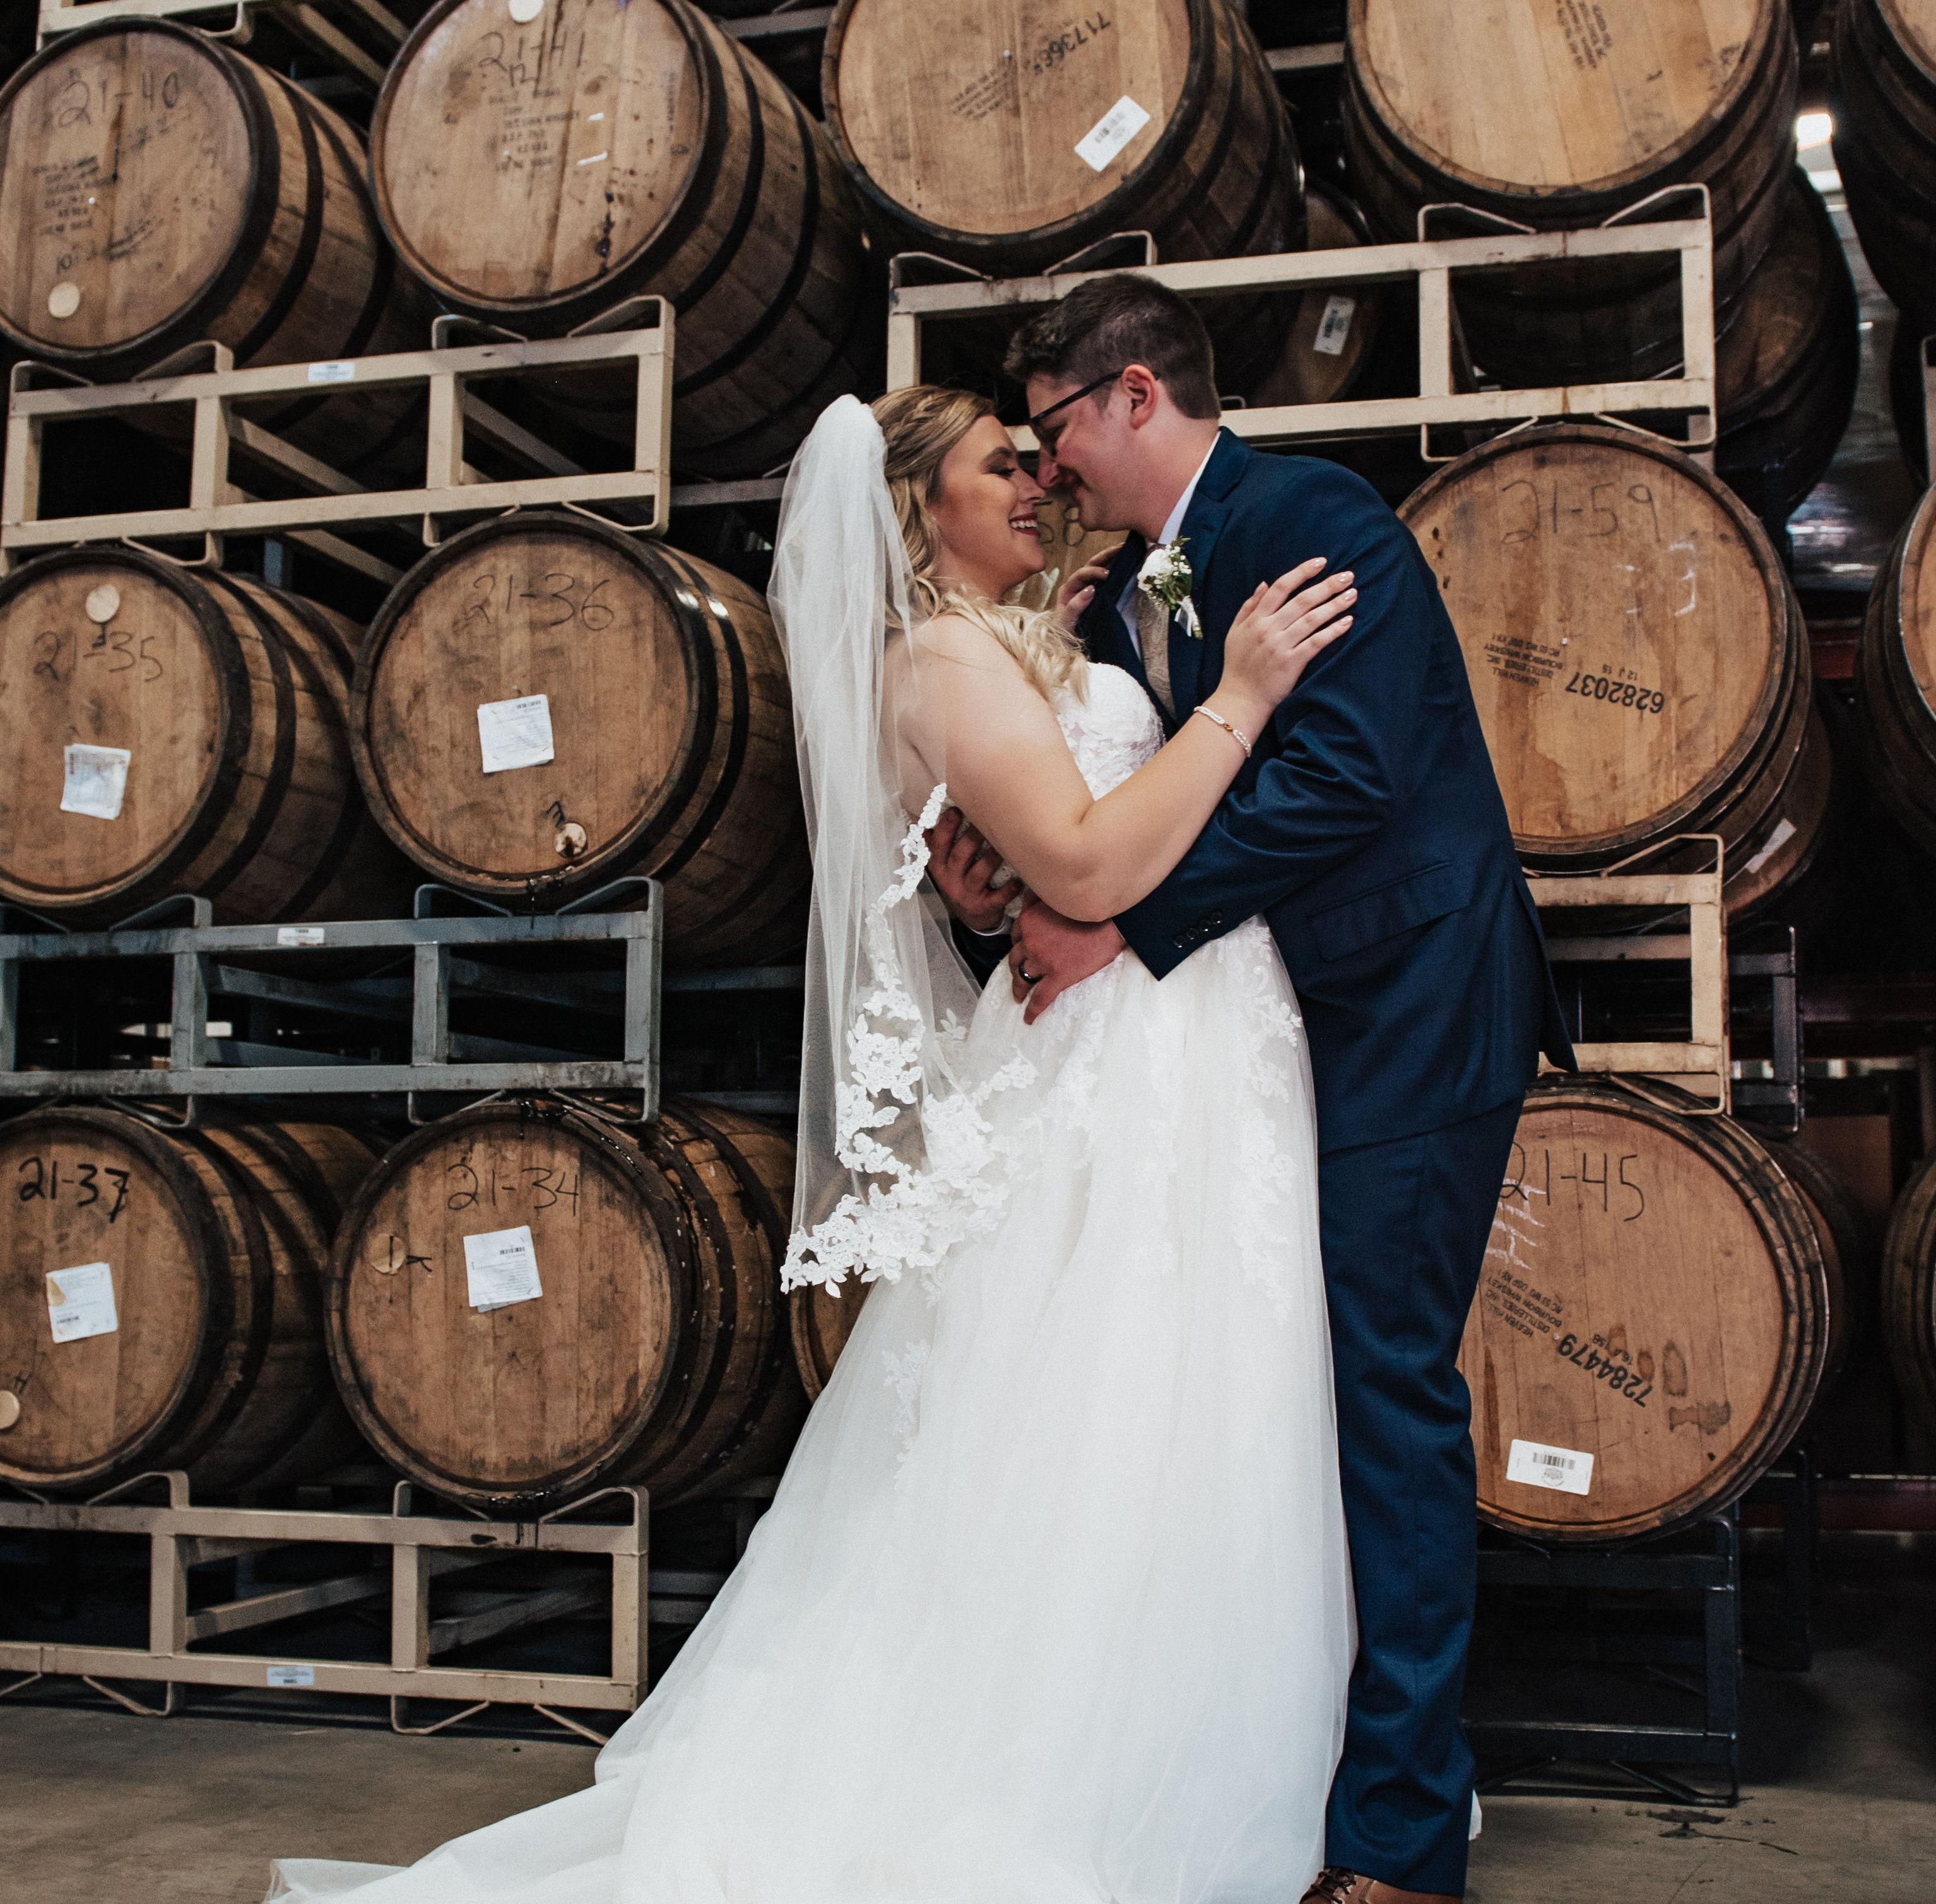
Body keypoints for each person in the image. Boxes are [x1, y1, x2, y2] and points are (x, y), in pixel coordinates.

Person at [263, 384, 1361, 1904]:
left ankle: (1205, 1752)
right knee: (1113, 1388)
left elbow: (1023, 856)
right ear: (919, 508)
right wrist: (1239, 694)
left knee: (1181, 1384)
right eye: (997, 467)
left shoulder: (1006, 641)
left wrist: (1024, 807)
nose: (1034, 485)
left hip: (1166, 1033)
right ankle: (1087, 1778)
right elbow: (1088, 860)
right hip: (1115, 1048)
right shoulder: (941, 661)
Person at [928, 276, 1576, 1903]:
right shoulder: (1116, 597)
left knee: (1383, 1394)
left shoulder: (1310, 519)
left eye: (1058, 430)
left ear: (1135, 397)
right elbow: (1120, 799)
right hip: (1267, 1038)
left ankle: (1401, 1844)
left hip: (1410, 1010)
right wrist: (1008, 883)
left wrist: (1121, 926)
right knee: (1266, 1397)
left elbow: (1346, 777)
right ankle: (1256, 1770)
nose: (1050, 468)